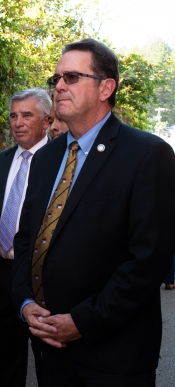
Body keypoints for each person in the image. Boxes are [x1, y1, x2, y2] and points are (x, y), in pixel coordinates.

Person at [12, 38, 175, 386]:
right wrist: (25, 301)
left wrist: (83, 322)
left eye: (71, 77)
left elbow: (148, 261)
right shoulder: (45, 158)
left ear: (106, 87)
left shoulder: (148, 155)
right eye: (55, 79)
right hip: (49, 346)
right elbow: (27, 238)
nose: (57, 86)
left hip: (112, 355)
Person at [0, 88, 49, 387]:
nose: (18, 122)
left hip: (42, 273)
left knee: (46, 356)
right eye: (13, 116)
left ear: (46, 120)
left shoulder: (61, 161)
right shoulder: (1, 161)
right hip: (3, 272)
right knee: (8, 355)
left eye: (26, 115)